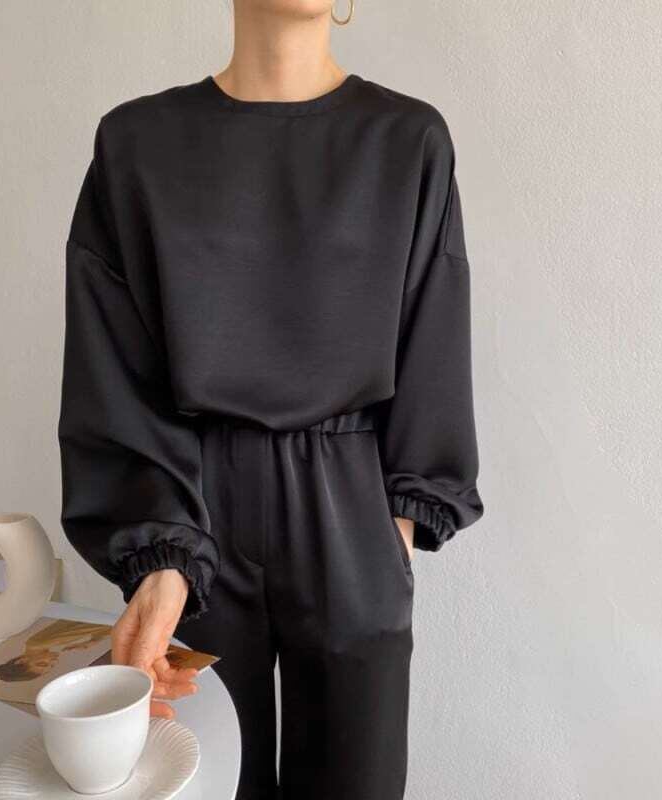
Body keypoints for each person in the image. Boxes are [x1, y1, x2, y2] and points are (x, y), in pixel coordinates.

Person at [57, 1, 484, 797]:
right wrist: (161, 554)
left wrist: (391, 531)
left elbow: (433, 340)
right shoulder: (138, 144)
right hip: (195, 505)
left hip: (350, 509)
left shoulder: (406, 140)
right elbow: (112, 369)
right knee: (205, 778)